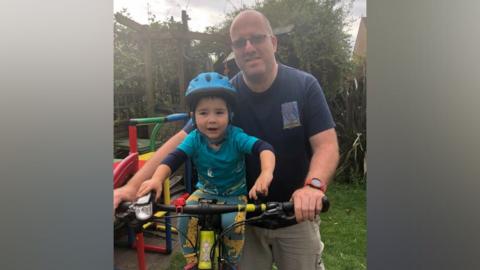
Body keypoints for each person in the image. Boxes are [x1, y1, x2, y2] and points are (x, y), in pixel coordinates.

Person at [114, 9, 339, 270]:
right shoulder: (224, 97)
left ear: (273, 42)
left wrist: (313, 187)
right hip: (242, 220)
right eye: (239, 42)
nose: (249, 47)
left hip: (296, 216)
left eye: (257, 38)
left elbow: (326, 145)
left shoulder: (304, 85)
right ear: (233, 50)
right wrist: (132, 188)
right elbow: (178, 142)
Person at [135, 72, 276, 269]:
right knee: (185, 218)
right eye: (203, 113)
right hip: (205, 192)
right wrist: (157, 179)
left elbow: (264, 148)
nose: (211, 120)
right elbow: (173, 159)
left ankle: (231, 263)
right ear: (193, 116)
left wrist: (265, 173)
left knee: (231, 225)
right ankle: (192, 261)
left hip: (234, 195)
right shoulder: (194, 138)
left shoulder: (236, 137)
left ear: (230, 115)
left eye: (219, 112)